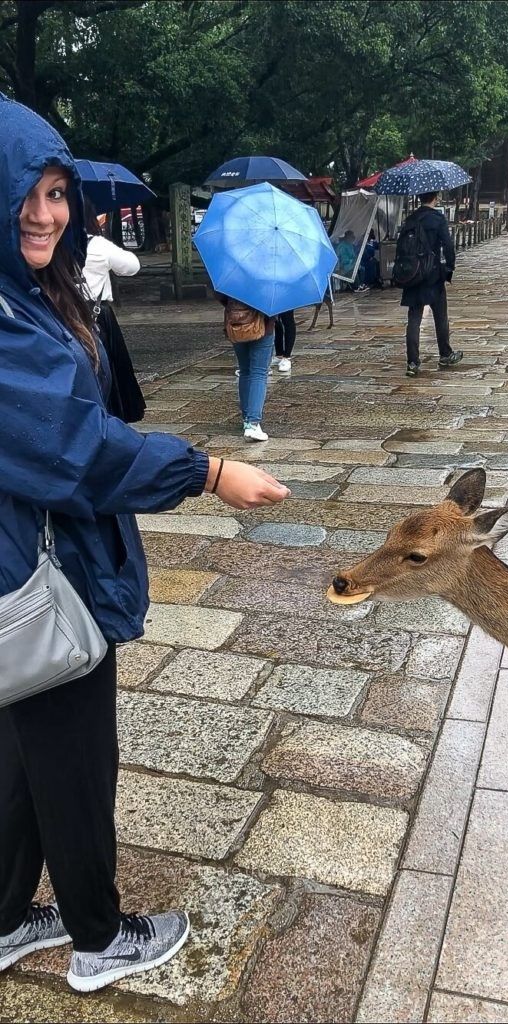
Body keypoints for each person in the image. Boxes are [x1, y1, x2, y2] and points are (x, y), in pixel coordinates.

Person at [0, 93, 289, 994]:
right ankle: (98, 936)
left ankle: (6, 917)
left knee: (24, 754)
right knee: (76, 762)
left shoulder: (27, 293)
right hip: (46, 575)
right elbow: (77, 451)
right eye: (28, 196)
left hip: (25, 563)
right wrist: (206, 472)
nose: (48, 214)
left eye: (58, 194)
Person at [82, 198, 145, 422]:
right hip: (97, 316)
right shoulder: (97, 244)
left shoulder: (53, 243)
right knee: (107, 372)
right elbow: (131, 266)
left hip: (60, 313)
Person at [399, 191, 462, 378]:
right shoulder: (437, 218)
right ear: (435, 197)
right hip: (433, 274)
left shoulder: (410, 219)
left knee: (414, 319)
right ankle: (445, 354)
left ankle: (412, 361)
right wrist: (449, 267)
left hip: (412, 274)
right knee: (440, 315)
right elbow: (448, 246)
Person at [218, 294, 275, 441]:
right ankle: (253, 423)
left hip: (236, 323)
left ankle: (246, 419)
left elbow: (220, 296)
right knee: (259, 372)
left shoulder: (232, 274)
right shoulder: (269, 275)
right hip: (262, 324)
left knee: (245, 370)